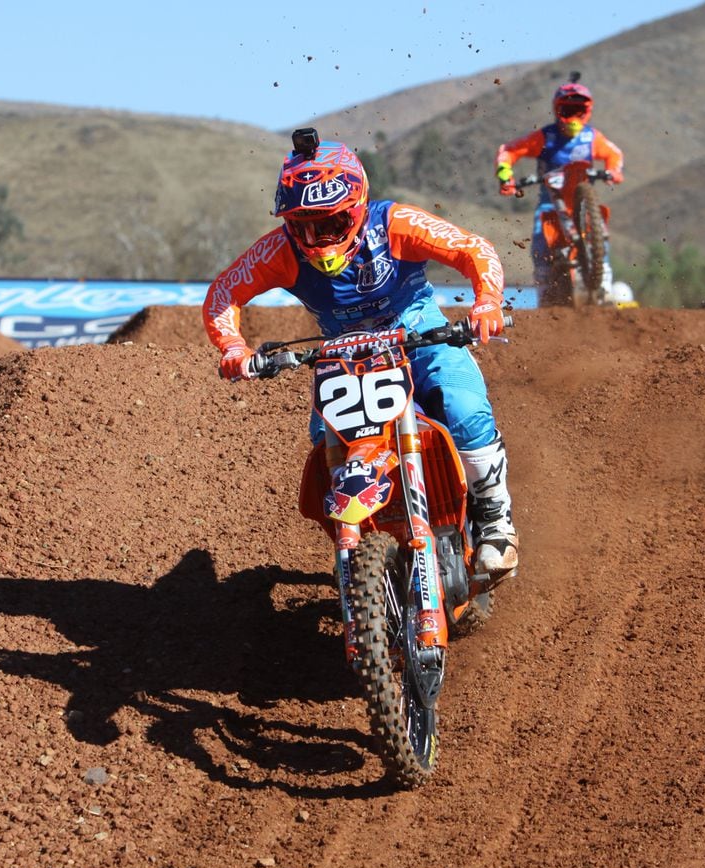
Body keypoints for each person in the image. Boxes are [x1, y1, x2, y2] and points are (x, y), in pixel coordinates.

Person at [202, 128, 519, 576]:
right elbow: (223, 293)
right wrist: (233, 346)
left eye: (330, 224)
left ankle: (494, 520)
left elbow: (473, 248)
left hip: (419, 334)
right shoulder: (281, 250)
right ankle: (357, 540)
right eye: (302, 226)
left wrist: (486, 302)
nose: (317, 239)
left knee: (463, 409)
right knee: (325, 444)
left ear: (357, 208)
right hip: (345, 357)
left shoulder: (394, 224)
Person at [495, 75, 624, 302]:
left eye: (578, 110)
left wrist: (613, 170)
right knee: (540, 240)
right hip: (551, 202)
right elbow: (509, 151)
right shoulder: (546, 137)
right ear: (557, 110)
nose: (572, 116)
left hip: (583, 202)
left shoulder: (592, 137)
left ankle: (603, 282)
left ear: (587, 111)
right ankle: (544, 290)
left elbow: (614, 154)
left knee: (601, 233)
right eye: (567, 110)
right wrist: (505, 175)